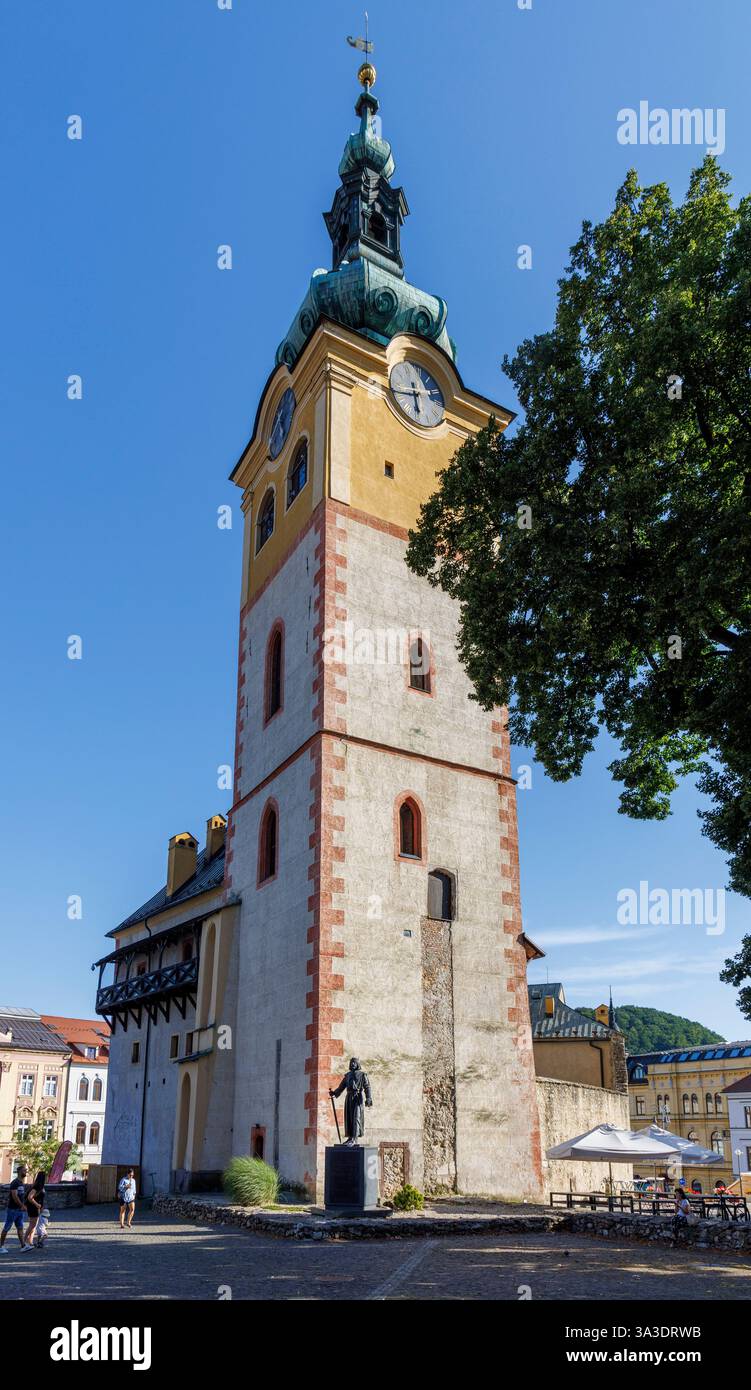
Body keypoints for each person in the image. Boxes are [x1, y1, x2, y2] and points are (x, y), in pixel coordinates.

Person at [0, 1165, 31, 1252]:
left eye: (26, 1170)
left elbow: (21, 1196)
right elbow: (14, 1196)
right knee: (7, 1227)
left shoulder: (21, 1183)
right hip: (13, 1209)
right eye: (24, 1170)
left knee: (20, 1227)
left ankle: (23, 1246)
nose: (26, 1172)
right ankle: (1, 1247)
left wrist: (23, 1206)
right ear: (20, 1171)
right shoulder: (15, 1182)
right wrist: (22, 1205)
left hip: (19, 1210)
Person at [24, 1171, 46, 1247]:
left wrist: (40, 1207)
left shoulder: (39, 1186)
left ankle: (30, 1242)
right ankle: (23, 1241)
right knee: (32, 1226)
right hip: (33, 1208)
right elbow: (30, 1197)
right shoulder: (37, 1187)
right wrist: (37, 1205)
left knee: (33, 1226)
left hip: (35, 1208)